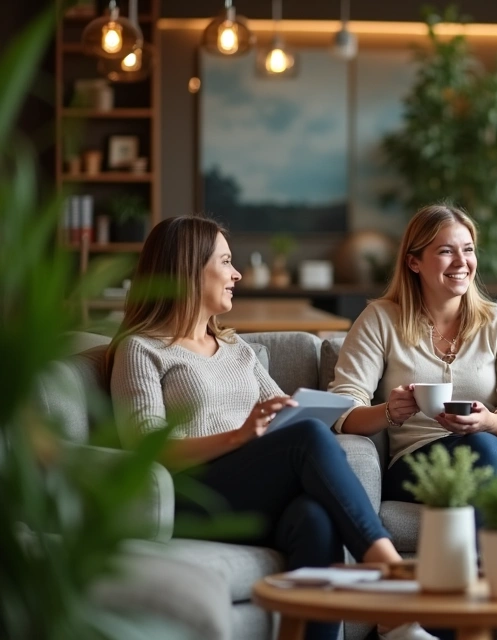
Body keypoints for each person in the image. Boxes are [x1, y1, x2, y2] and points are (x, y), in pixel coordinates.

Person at [109, 216, 404, 640]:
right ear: (189, 270)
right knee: (308, 439)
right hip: (186, 496)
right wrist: (241, 435)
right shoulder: (142, 349)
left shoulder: (235, 347)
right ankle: (389, 569)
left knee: (314, 517)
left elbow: (285, 413)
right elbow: (145, 450)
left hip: (247, 494)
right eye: (226, 262)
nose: (237, 274)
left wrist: (287, 419)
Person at [328, 204, 497, 507]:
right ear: (414, 262)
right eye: (445, 251)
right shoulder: (381, 319)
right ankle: (492, 554)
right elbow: (342, 409)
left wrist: (488, 422)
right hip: (420, 459)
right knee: (475, 466)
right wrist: (390, 411)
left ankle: (466, 554)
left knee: (480, 448)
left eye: (468, 249)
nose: (461, 262)